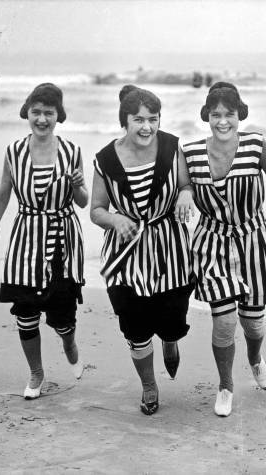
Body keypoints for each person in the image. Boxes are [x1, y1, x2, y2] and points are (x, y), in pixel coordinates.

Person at [182, 82, 266, 417]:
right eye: (216, 114)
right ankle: (225, 385)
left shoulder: (255, 145)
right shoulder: (191, 153)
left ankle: (255, 358)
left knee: (254, 326)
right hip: (211, 244)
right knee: (224, 322)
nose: (222, 121)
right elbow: (175, 189)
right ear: (206, 116)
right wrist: (184, 191)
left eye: (229, 114)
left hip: (254, 241)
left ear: (240, 114)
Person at [0, 83, 88, 399]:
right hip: (26, 241)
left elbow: (84, 202)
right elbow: (3, 195)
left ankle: (69, 342)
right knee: (26, 313)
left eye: (49, 112)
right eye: (37, 112)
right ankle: (36, 373)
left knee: (62, 319)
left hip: (63, 241)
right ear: (28, 113)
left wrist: (77, 186)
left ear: (58, 115)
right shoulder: (14, 152)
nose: (43, 119)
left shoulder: (72, 152)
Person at [90, 85, 194, 415]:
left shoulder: (173, 147)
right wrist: (114, 220)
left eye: (153, 119)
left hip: (170, 252)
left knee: (172, 321)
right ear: (125, 121)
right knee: (134, 327)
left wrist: (186, 193)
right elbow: (96, 209)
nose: (147, 126)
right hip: (126, 257)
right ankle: (149, 385)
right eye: (139, 119)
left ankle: (170, 339)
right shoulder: (105, 159)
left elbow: (186, 184)